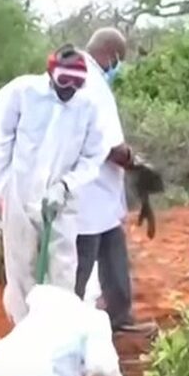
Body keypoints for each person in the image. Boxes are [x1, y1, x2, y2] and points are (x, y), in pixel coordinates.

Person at [0, 46, 108, 324]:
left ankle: (56, 333)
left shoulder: (87, 107)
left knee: (62, 268)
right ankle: (25, 331)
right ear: (51, 73)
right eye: (65, 81)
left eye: (77, 83)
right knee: (21, 266)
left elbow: (93, 157)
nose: (69, 89)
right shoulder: (20, 94)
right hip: (20, 191)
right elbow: (1, 145)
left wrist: (65, 186)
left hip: (62, 199)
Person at [73, 27, 156, 334]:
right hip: (87, 191)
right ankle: (64, 326)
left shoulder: (84, 75)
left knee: (113, 251)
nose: (117, 68)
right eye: (118, 61)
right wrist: (137, 163)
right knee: (82, 261)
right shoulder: (92, 83)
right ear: (110, 54)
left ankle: (119, 318)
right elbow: (108, 146)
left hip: (100, 194)